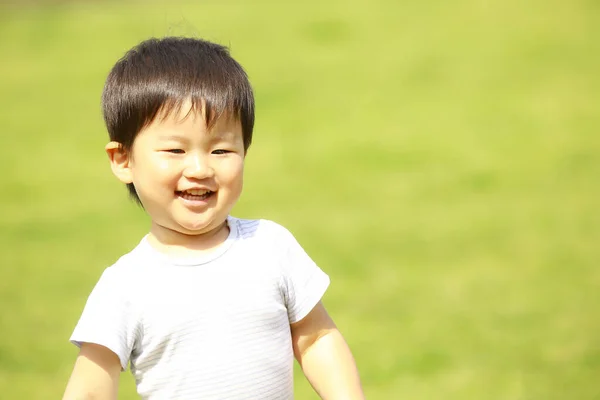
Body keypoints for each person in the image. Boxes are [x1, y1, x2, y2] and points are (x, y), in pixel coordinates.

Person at [62, 36, 364, 400]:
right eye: (175, 150)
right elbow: (91, 389)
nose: (200, 168)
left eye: (221, 149)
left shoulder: (270, 247)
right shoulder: (125, 286)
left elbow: (316, 338)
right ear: (123, 160)